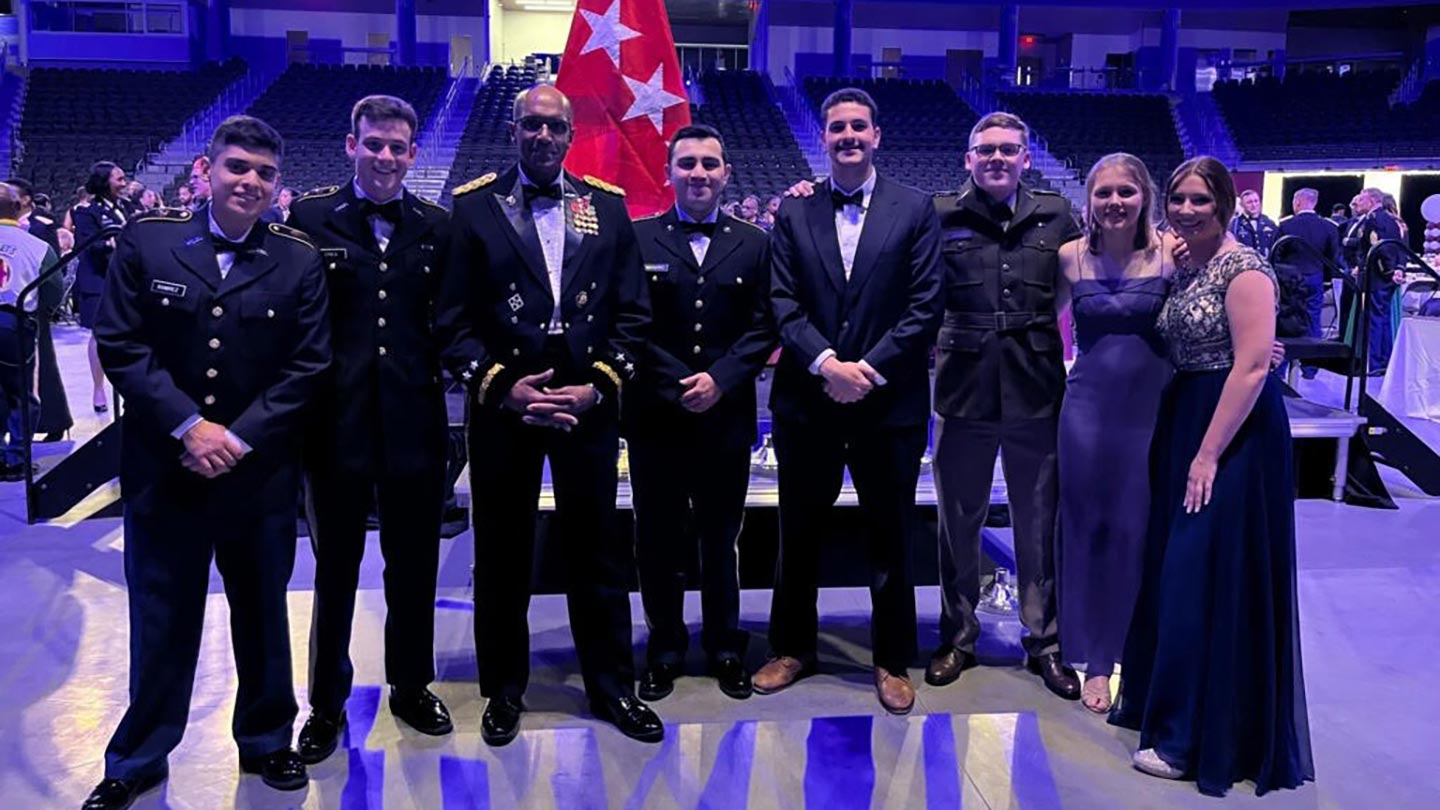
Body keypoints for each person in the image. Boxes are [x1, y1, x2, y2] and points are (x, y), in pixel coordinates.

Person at [83, 115, 331, 809]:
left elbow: (308, 364)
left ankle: (266, 741)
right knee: (161, 618)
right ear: (207, 170)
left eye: (264, 172)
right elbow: (123, 343)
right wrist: (191, 428)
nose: (249, 181)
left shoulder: (297, 258)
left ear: (277, 184)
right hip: (166, 472)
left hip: (257, 478)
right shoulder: (150, 241)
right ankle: (138, 755)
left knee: (262, 615)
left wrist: (238, 437)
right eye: (237, 167)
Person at [435, 83, 661, 746]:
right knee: (502, 552)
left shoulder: (606, 208)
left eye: (554, 128)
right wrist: (504, 387)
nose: (542, 137)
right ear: (514, 131)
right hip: (508, 399)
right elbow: (451, 320)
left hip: (585, 398)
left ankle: (611, 686)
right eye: (531, 125)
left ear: (570, 136)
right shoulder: (473, 208)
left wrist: (597, 387)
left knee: (598, 550)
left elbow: (635, 315)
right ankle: (504, 690)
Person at [1111, 157, 1313, 797]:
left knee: (1202, 576)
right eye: (1177, 198)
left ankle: (1193, 739)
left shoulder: (1245, 268)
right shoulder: (1187, 264)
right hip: (1185, 419)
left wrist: (1207, 454)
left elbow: (1253, 368)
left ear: (1225, 202)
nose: (1187, 209)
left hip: (1233, 433)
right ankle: (1165, 709)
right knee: (1178, 570)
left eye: (1200, 199)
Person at [752, 87, 942, 715]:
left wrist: (867, 370)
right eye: (837, 128)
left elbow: (924, 307)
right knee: (797, 533)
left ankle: (891, 659)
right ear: (824, 138)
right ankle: (792, 649)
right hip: (809, 399)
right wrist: (827, 364)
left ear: (877, 136)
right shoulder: (793, 211)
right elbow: (781, 302)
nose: (849, 136)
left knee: (890, 534)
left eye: (859, 126)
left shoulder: (915, 210)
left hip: (888, 404)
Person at [288, 95, 454, 765]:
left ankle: (411, 686)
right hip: (336, 426)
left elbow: (450, 321)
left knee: (414, 569)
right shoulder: (308, 218)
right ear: (350, 144)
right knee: (335, 572)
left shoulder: (438, 227)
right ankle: (326, 704)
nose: (386, 156)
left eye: (397, 146)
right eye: (374, 143)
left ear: (413, 154)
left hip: (416, 426)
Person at [927, 112, 1081, 701]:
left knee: (1038, 523)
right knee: (957, 523)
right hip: (962, 389)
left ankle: (1044, 641)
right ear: (968, 158)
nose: (996, 158)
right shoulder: (940, 214)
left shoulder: (1056, 214)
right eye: (985, 149)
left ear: (1025, 158)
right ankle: (958, 636)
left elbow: (1086, 282)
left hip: (1035, 387)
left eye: (1008, 149)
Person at [627, 124, 775, 703]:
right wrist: (677, 381)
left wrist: (722, 378)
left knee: (721, 538)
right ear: (669, 172)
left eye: (710, 164)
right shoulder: (636, 239)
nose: (699, 173)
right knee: (657, 538)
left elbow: (766, 324)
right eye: (687, 163)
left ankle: (724, 646)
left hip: (726, 417)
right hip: (655, 417)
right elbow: (629, 322)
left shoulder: (754, 243)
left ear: (726, 174)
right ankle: (663, 647)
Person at [1057, 154, 1175, 714]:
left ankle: (1135, 651)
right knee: (1084, 528)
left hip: (1149, 412)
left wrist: (1265, 344)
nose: (1114, 202)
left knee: (1136, 529)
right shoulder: (1070, 257)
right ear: (1090, 199)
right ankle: (1093, 660)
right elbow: (1039, 323)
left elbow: (1217, 306)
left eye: (1126, 191)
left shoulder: (1172, 254)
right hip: (1084, 409)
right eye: (1103, 192)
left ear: (1145, 196)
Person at [5, 177, 72, 440]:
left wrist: (45, 306)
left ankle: (54, 422)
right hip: (10, 310)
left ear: (24, 200)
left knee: (42, 371)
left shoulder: (42, 226)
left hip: (31, 309)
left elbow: (54, 270)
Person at [0, 184, 60, 480]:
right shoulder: (36, 246)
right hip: (15, 324)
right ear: (18, 208)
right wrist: (43, 312)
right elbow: (53, 290)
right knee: (22, 394)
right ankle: (17, 459)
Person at [71, 160, 129, 414]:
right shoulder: (87, 212)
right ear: (104, 181)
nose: (124, 183)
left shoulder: (124, 208)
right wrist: (111, 245)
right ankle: (98, 389)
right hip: (97, 279)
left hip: (123, 278)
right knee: (99, 335)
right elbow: (86, 246)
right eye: (119, 178)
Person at [1277, 187, 1343, 376]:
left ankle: (1282, 366)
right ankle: (1310, 367)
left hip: (1288, 282)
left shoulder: (1286, 226)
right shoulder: (1329, 227)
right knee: (1313, 320)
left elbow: (1277, 255)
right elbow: (1333, 257)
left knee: (1286, 321)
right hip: (1315, 279)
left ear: (1297, 202)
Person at [1341, 188, 1405, 374]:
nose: (1357, 203)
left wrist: (1388, 270)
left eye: (1361, 200)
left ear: (1371, 200)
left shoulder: (1373, 220)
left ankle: (1375, 363)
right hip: (1386, 277)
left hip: (1376, 277)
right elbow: (1400, 247)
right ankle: (1385, 360)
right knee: (1383, 319)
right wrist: (1398, 269)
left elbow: (1378, 248)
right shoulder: (1392, 220)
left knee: (1374, 320)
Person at [1229, 189, 1277, 254]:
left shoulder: (1269, 223)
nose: (1254, 205)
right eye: (1249, 202)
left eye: (1256, 201)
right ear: (1242, 205)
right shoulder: (1235, 224)